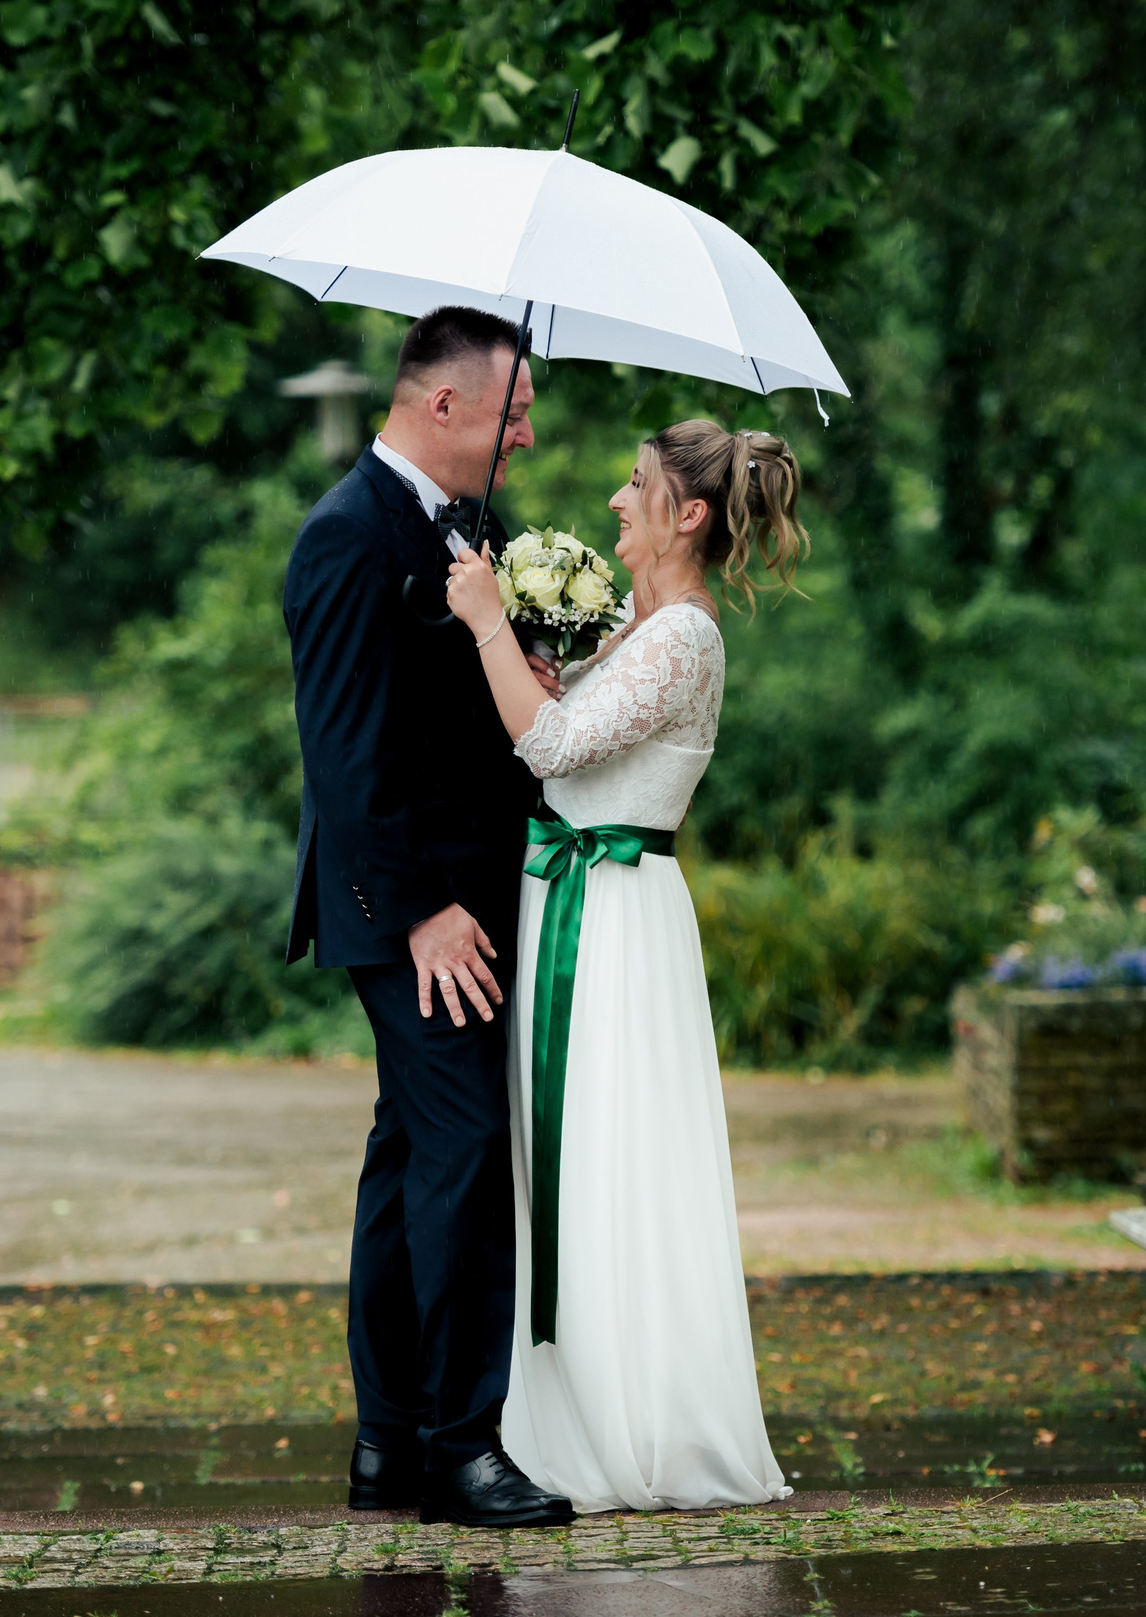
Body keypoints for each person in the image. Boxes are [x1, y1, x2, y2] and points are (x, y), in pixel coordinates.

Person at [441, 418, 806, 1512]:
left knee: (610, 1160)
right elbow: (572, 728)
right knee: (563, 1163)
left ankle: (630, 1424)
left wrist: (485, 625)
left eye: (636, 483)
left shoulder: (685, 636)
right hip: (568, 902)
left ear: (687, 514)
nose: (614, 498)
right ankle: (553, 1408)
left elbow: (548, 751)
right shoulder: (632, 628)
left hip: (616, 921)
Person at [281, 305, 576, 1529]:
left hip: (476, 897)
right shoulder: (347, 536)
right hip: (414, 912)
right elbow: (343, 755)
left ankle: (388, 1442)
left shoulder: (478, 530)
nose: (522, 436)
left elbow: (468, 718)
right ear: (442, 405)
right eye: (510, 413)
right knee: (461, 1158)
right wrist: (419, 917)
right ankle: (465, 1445)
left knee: (410, 1159)